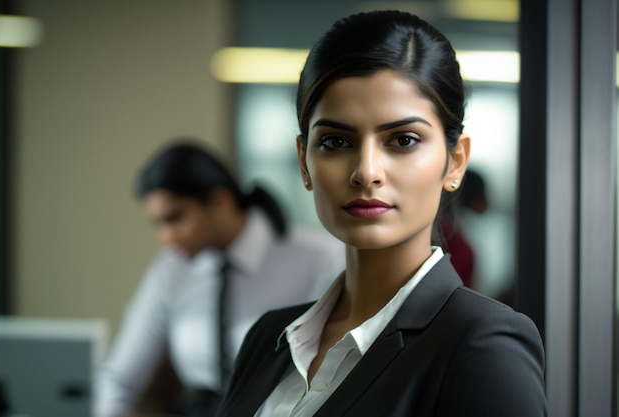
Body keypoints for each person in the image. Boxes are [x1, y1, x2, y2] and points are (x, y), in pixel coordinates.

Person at [216, 10, 546, 417]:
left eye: (403, 140)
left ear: (455, 162)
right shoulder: (268, 336)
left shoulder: (480, 343)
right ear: (304, 162)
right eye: (336, 141)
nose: (366, 172)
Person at [93, 139, 345, 417]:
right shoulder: (171, 269)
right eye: (158, 224)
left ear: (219, 201)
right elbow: (118, 380)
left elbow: (336, 374)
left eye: (175, 218)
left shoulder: (321, 259)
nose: (166, 238)